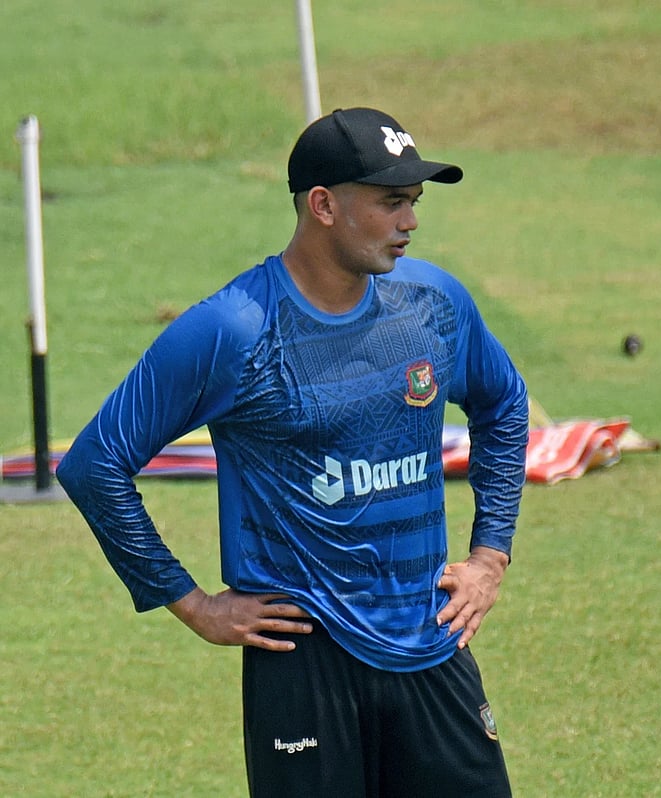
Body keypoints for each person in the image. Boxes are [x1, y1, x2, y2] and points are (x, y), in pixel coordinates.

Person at [56, 107, 529, 798]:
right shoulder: (233, 330)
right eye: (392, 201)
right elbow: (95, 463)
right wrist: (192, 605)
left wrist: (490, 555)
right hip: (302, 660)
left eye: (415, 203)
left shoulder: (433, 302)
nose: (411, 222)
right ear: (323, 205)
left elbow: (504, 403)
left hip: (430, 643)